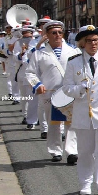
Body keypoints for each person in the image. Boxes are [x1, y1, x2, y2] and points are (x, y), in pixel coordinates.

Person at [60, 25, 98, 195]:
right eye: (89, 41)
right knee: (85, 151)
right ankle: (85, 182)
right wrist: (79, 88)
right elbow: (66, 88)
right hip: (83, 113)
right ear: (82, 43)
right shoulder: (74, 62)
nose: (93, 44)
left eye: (96, 40)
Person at [25, 20, 80, 162]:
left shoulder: (74, 51)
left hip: (69, 92)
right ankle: (55, 150)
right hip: (49, 93)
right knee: (53, 122)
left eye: (60, 32)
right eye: (53, 33)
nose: (57, 35)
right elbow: (30, 72)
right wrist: (37, 84)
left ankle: (72, 151)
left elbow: (81, 70)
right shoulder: (39, 54)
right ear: (47, 35)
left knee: (71, 122)